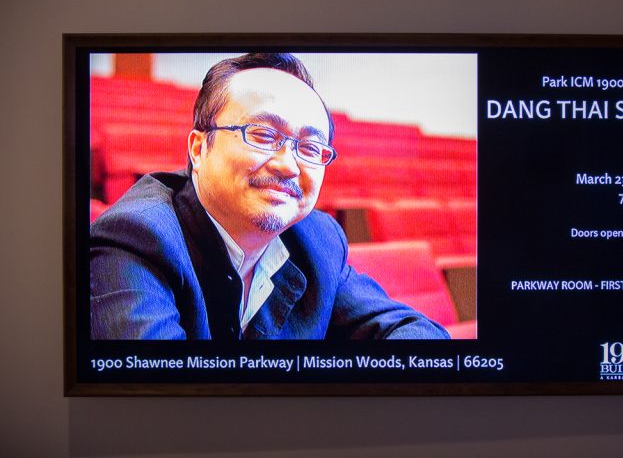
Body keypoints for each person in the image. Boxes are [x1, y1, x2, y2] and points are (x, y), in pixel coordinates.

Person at [90, 53, 449, 340]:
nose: (288, 166)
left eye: (310, 148)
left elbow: (414, 335)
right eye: (262, 135)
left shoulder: (319, 239)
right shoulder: (136, 238)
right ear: (199, 149)